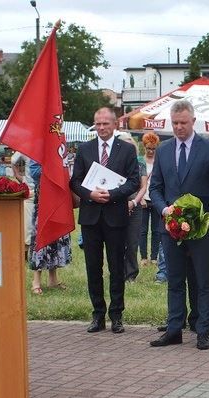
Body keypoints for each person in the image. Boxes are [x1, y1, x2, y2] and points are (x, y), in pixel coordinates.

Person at [148, 100, 209, 350]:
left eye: (183, 123)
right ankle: (174, 328)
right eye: (174, 123)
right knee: (174, 278)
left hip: (201, 226)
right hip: (170, 227)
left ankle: (203, 330)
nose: (179, 127)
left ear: (193, 121)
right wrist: (164, 209)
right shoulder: (163, 150)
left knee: (203, 279)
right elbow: (155, 187)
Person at [70, 107, 140, 333]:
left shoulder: (127, 150)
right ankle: (97, 314)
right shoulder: (85, 149)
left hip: (115, 216)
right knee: (93, 268)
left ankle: (117, 315)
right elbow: (75, 181)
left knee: (116, 267)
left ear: (115, 125)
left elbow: (134, 182)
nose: (101, 128)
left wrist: (113, 194)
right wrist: (89, 194)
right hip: (91, 217)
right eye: (98, 124)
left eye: (105, 124)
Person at [28, 160, 71, 295]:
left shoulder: (59, 147)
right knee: (40, 235)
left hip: (58, 195)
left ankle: (53, 279)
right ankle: (36, 280)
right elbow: (34, 172)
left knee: (56, 235)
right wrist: (53, 169)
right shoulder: (39, 147)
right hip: (43, 197)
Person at [117, 132, 148, 282]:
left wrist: (134, 202)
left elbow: (143, 186)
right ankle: (117, 271)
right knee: (117, 241)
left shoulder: (140, 162)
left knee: (132, 241)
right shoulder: (115, 162)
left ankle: (130, 274)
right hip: (117, 205)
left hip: (135, 206)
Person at [139, 132, 160, 266]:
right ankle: (143, 257)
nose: (151, 151)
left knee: (156, 230)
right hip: (143, 199)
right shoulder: (139, 161)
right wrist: (139, 198)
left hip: (156, 199)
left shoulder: (159, 162)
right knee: (142, 230)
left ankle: (154, 256)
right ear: (144, 147)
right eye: (148, 148)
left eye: (153, 149)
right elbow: (136, 181)